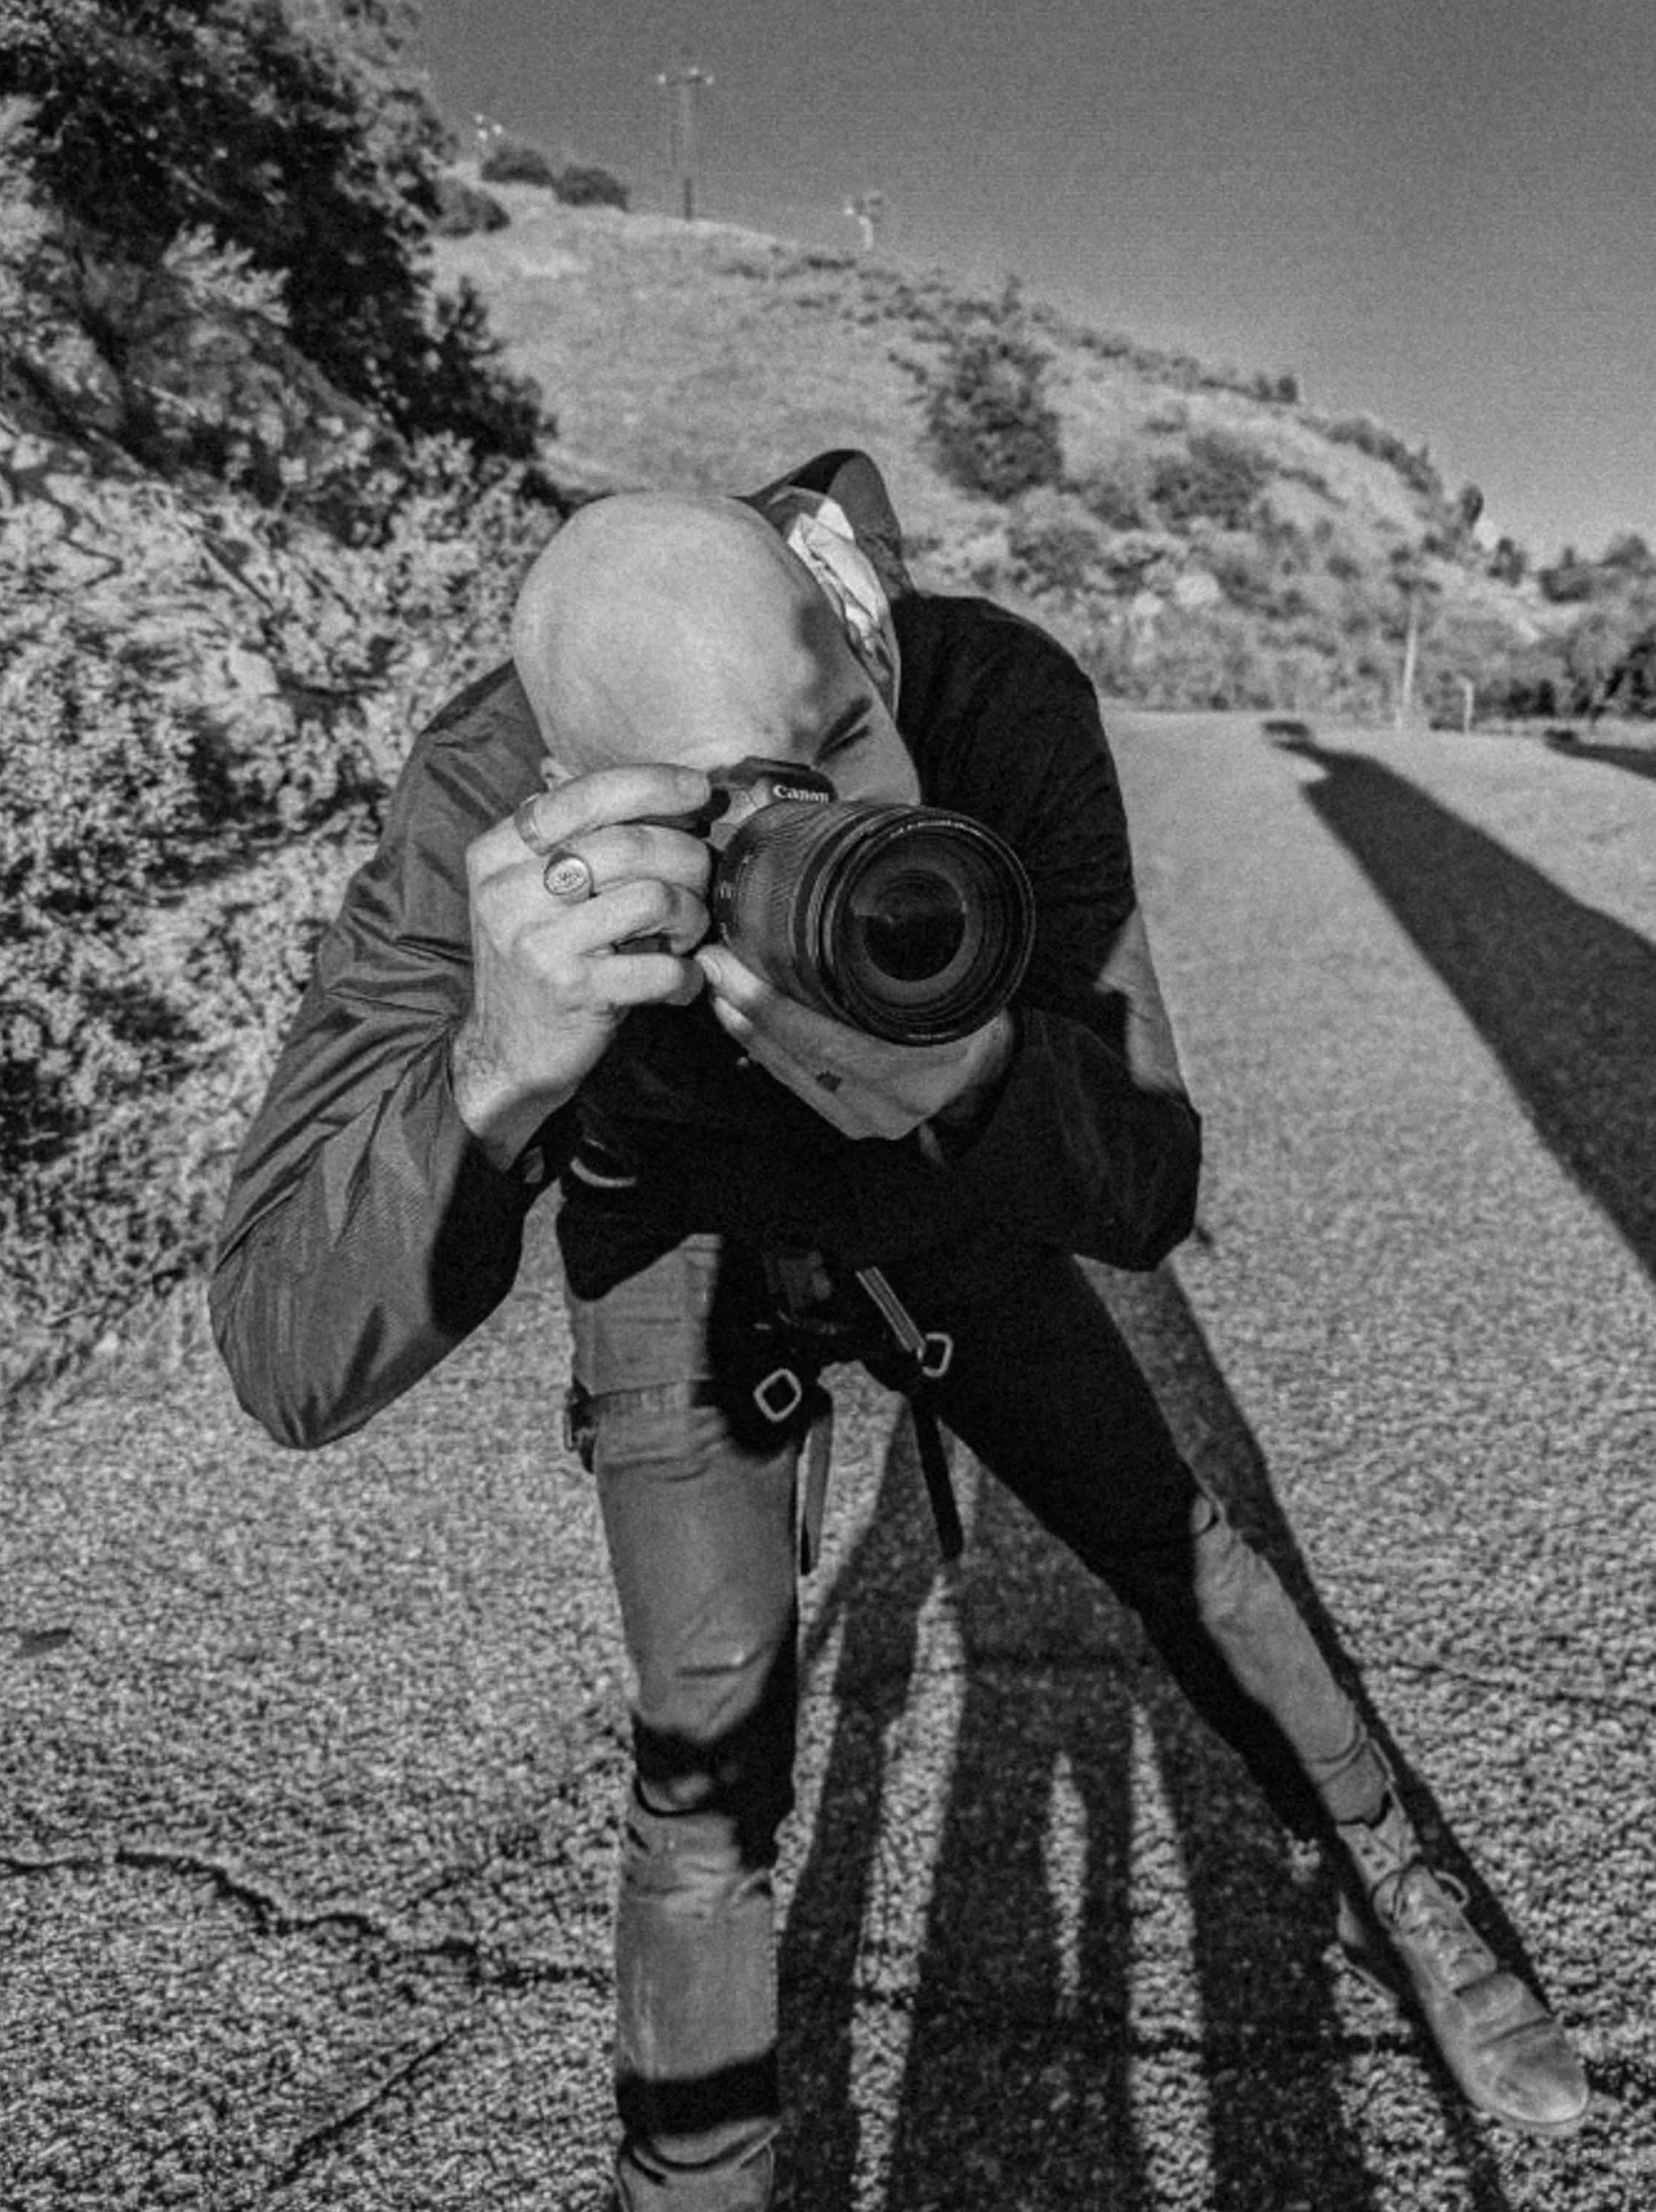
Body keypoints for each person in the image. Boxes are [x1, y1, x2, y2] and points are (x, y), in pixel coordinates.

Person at [211, 451, 1588, 2207]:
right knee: (702, 1754)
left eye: (840, 744)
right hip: (678, 1231)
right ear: (577, 787)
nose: (821, 844)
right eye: (723, 820)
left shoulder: (991, 696)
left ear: (865, 637)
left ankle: (1413, 1893)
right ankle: (692, 2171)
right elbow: (280, 1350)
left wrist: (985, 1079)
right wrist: (496, 1070)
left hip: (952, 1182)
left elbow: (1150, 1178)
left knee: (1182, 1548)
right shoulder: (485, 800)